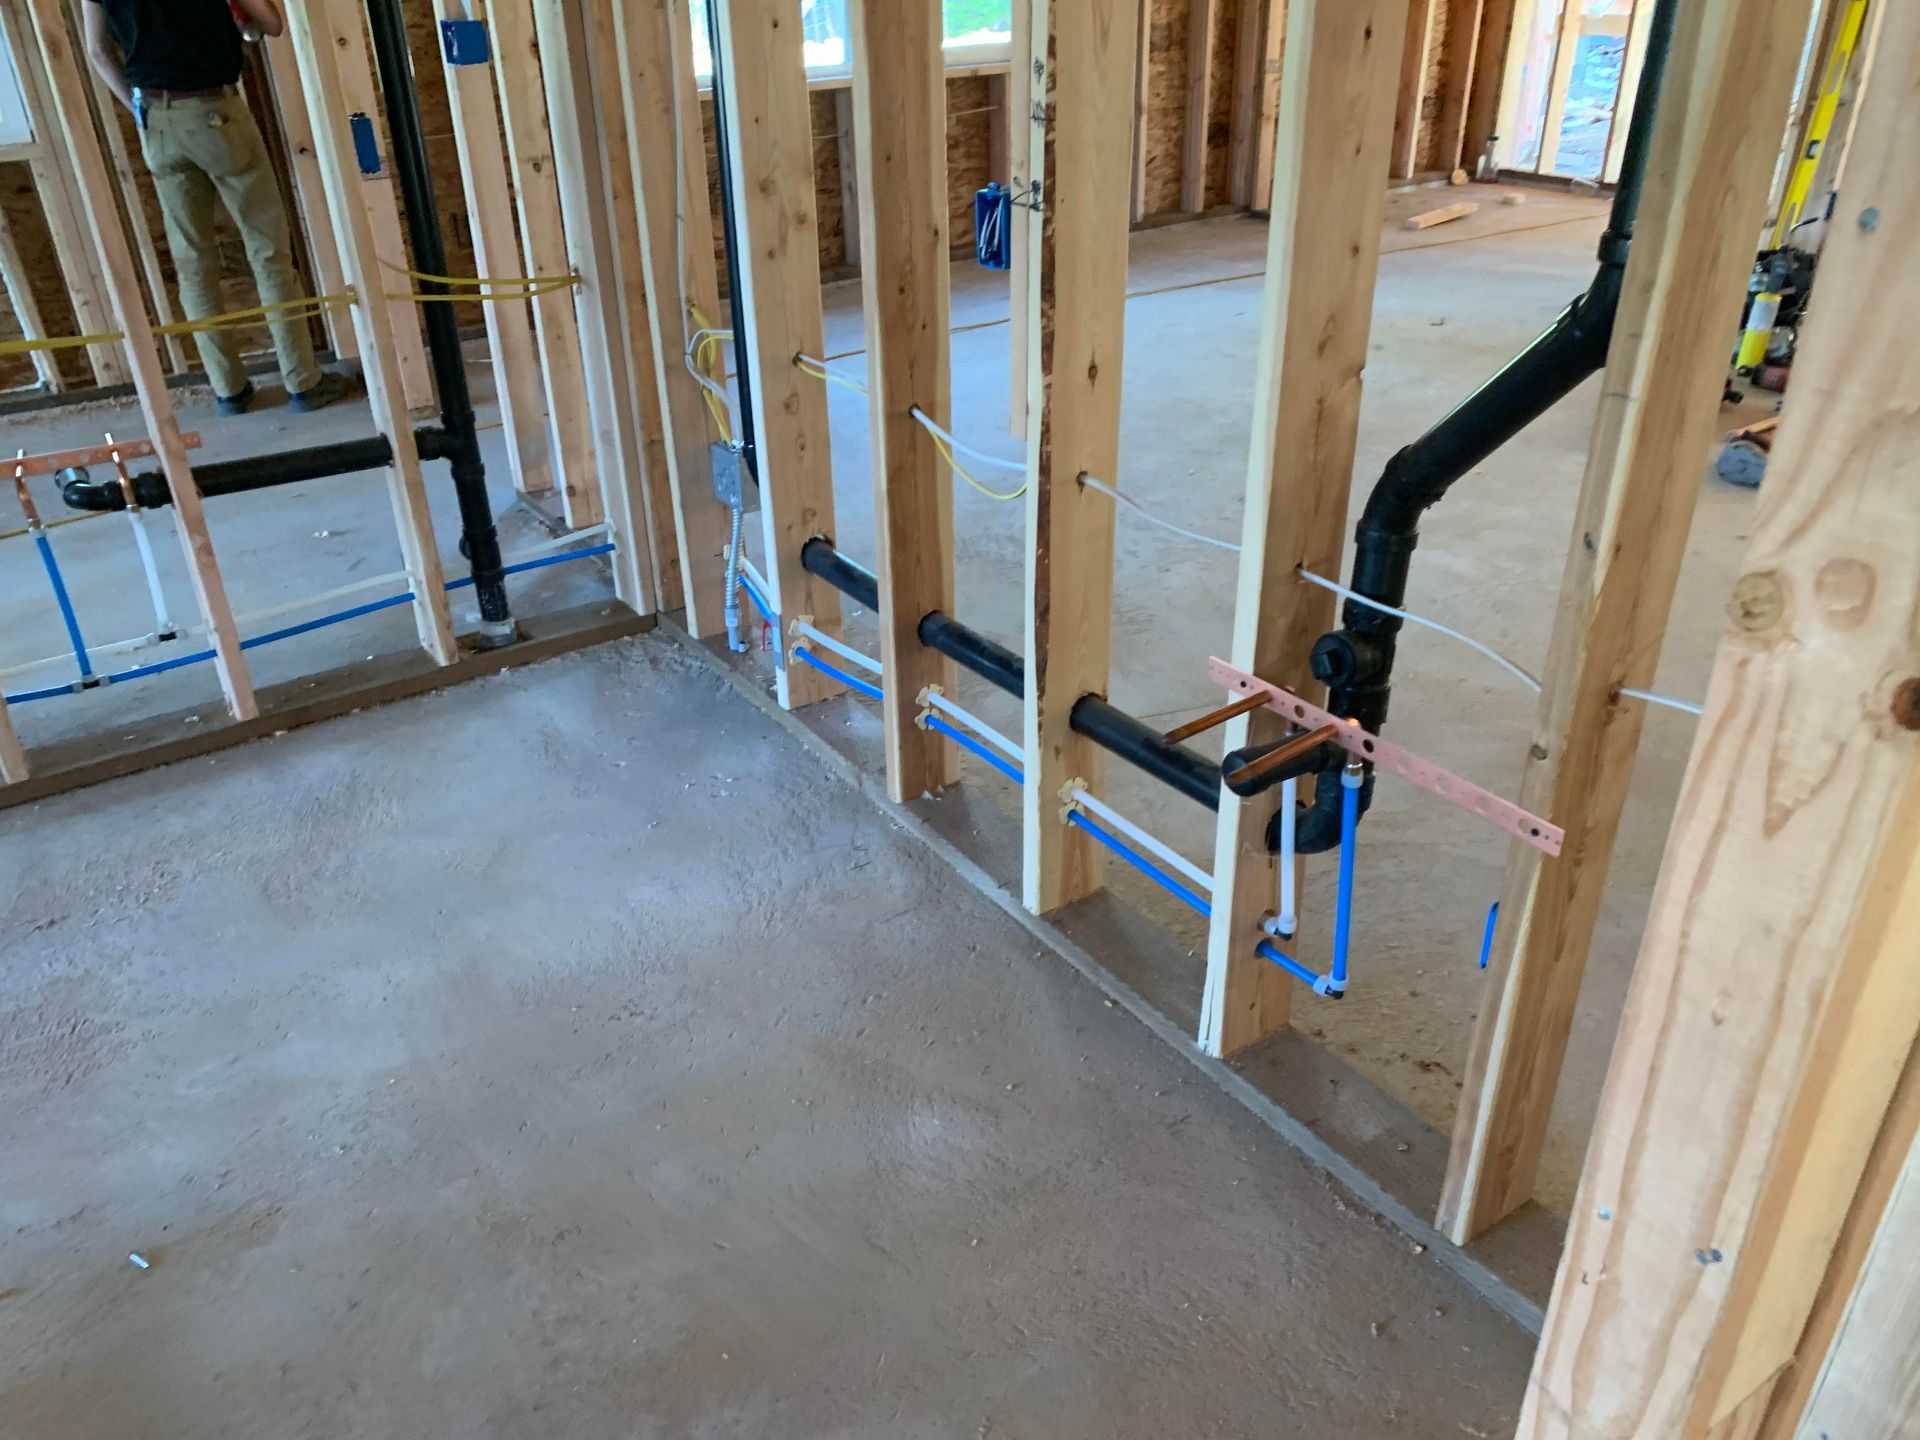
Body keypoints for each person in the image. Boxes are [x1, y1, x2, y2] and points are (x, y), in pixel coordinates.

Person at [82, 0, 347, 416]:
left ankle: (229, 391)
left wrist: (139, 110)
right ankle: (304, 381)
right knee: (268, 251)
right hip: (215, 113)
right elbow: (271, 23)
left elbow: (98, 51)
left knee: (193, 262)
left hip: (156, 120)